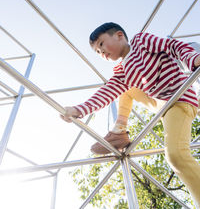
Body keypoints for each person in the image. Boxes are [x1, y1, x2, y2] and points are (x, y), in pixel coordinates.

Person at [61, 22, 200, 206]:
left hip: (179, 98)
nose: (101, 53)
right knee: (123, 89)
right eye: (97, 52)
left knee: (175, 155)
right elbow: (107, 92)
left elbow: (172, 46)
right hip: (161, 103)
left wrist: (193, 59)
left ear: (119, 35)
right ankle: (119, 132)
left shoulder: (141, 41)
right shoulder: (122, 71)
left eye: (101, 44)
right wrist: (80, 109)